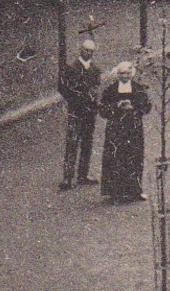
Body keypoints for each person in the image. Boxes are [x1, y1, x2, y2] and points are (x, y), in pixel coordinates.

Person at [98, 60, 150, 204]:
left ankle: (135, 190)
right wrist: (116, 106)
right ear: (117, 75)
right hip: (116, 129)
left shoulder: (138, 88)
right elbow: (102, 109)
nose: (124, 76)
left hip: (133, 129)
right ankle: (115, 193)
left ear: (131, 74)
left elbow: (147, 107)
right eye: (121, 73)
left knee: (134, 157)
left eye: (127, 73)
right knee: (116, 159)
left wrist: (134, 107)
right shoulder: (111, 90)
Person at [58, 38, 101, 191]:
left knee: (87, 143)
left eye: (91, 51)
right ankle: (68, 177)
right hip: (76, 111)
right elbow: (63, 88)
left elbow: (96, 87)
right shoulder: (71, 68)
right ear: (80, 50)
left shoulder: (95, 70)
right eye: (86, 50)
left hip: (89, 112)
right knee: (72, 143)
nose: (88, 53)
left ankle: (83, 174)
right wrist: (75, 99)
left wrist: (93, 100)